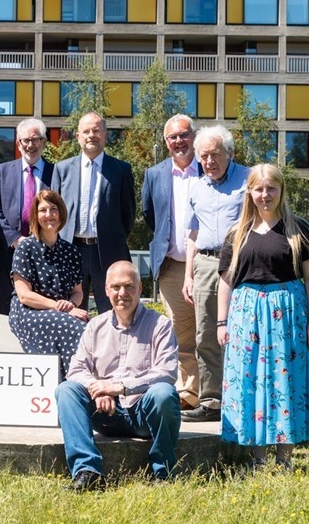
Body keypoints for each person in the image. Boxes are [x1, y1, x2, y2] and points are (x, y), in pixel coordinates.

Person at [217, 165, 309, 470]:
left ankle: (285, 458)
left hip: (288, 315)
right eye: (259, 189)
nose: (265, 195)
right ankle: (258, 459)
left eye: (271, 188)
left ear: (281, 191)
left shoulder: (299, 229)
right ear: (250, 192)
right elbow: (225, 281)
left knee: (284, 381)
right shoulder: (237, 233)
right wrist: (222, 323)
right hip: (246, 316)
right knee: (251, 381)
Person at [55, 261, 180, 491]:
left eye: (128, 286)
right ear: (106, 290)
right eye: (116, 287)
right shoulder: (95, 326)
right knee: (66, 390)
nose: (122, 293)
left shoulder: (160, 325)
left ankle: (163, 473)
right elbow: (76, 369)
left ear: (140, 288)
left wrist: (118, 387)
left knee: (164, 393)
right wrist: (97, 387)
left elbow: (167, 372)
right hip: (106, 414)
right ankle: (88, 471)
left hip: (144, 413)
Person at [181, 125, 249, 423]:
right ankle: (211, 402)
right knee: (206, 334)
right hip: (206, 265)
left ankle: (246, 399)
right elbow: (193, 234)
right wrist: (188, 275)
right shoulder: (196, 187)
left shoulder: (249, 179)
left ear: (230, 154)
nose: (209, 161)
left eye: (215, 155)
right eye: (203, 156)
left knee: (245, 332)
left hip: (244, 263)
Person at [141, 114, 202, 410]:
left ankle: (214, 393)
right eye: (172, 137)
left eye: (184, 134)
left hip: (208, 266)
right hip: (172, 266)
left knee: (210, 330)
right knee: (180, 332)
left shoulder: (209, 168)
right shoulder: (154, 174)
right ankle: (190, 394)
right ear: (166, 143)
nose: (179, 141)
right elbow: (150, 214)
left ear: (194, 135)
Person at [51, 112, 135, 314]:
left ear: (105, 135)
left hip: (107, 252)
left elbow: (128, 215)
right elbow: (53, 214)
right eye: (86, 131)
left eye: (96, 131)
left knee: (112, 311)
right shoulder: (62, 169)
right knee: (71, 311)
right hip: (70, 251)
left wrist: (112, 238)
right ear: (78, 136)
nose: (91, 135)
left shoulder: (121, 169)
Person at [9, 190, 90, 380]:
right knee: (75, 328)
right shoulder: (26, 247)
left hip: (62, 310)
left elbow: (78, 292)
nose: (48, 215)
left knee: (93, 328)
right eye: (43, 210)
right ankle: (72, 384)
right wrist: (59, 307)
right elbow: (24, 295)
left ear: (61, 213)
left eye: (53, 209)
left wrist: (71, 305)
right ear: (36, 216)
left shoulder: (71, 251)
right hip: (29, 311)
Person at [0, 118, 54, 315]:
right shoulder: (2, 171)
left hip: (45, 252)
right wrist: (15, 239)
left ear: (43, 142)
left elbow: (62, 209)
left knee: (42, 310)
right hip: (8, 252)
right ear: (18, 143)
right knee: (6, 312)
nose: (30, 145)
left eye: (36, 140)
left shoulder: (56, 171)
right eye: (26, 140)